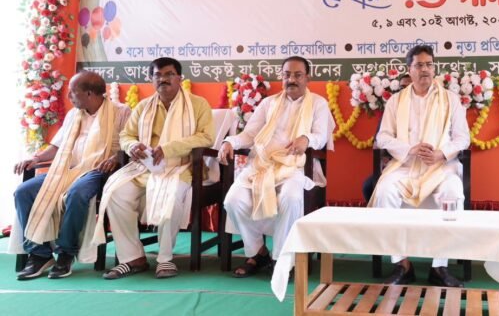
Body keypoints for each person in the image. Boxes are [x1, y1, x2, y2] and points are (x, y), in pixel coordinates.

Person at [97, 57, 214, 279]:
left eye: (169, 74)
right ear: (151, 79)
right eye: (157, 75)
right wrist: (132, 146)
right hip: (144, 168)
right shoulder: (143, 106)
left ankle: (165, 259)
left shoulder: (198, 104)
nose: (163, 79)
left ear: (180, 78)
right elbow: (126, 135)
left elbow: (206, 137)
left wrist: (169, 149)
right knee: (115, 192)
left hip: (179, 166)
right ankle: (133, 258)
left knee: (170, 196)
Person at [218, 56, 335, 277]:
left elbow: (321, 136)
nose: (292, 79)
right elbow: (250, 134)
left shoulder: (318, 103)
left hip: (296, 167)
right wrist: (230, 141)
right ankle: (258, 252)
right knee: (233, 201)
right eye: (287, 75)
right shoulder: (268, 103)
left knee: (290, 198)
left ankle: (282, 260)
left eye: (298, 75)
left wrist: (306, 139)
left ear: (307, 78)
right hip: (262, 166)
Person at [11, 72, 130, 280]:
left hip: (97, 171)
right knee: (23, 192)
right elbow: (57, 146)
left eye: (73, 92)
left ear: (90, 94)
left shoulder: (121, 111)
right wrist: (36, 159)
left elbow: (128, 143)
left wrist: (116, 158)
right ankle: (39, 254)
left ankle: (66, 253)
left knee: (77, 192)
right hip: (65, 170)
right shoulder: (74, 115)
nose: (69, 97)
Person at [370, 45, 470, 288]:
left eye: (429, 65)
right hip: (405, 167)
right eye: (419, 65)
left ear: (434, 68)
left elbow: (463, 138)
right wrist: (409, 149)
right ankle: (402, 264)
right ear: (409, 69)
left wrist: (441, 154)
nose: (425, 69)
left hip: (441, 168)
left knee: (453, 192)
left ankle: (440, 267)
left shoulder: (451, 100)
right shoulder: (396, 101)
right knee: (384, 191)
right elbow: (382, 137)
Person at [362, 74, 412, 202]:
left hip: (425, 164)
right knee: (368, 186)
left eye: (410, 86)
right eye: (402, 87)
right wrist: (385, 157)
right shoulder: (392, 108)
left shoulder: (431, 110)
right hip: (396, 164)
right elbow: (378, 141)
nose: (406, 90)